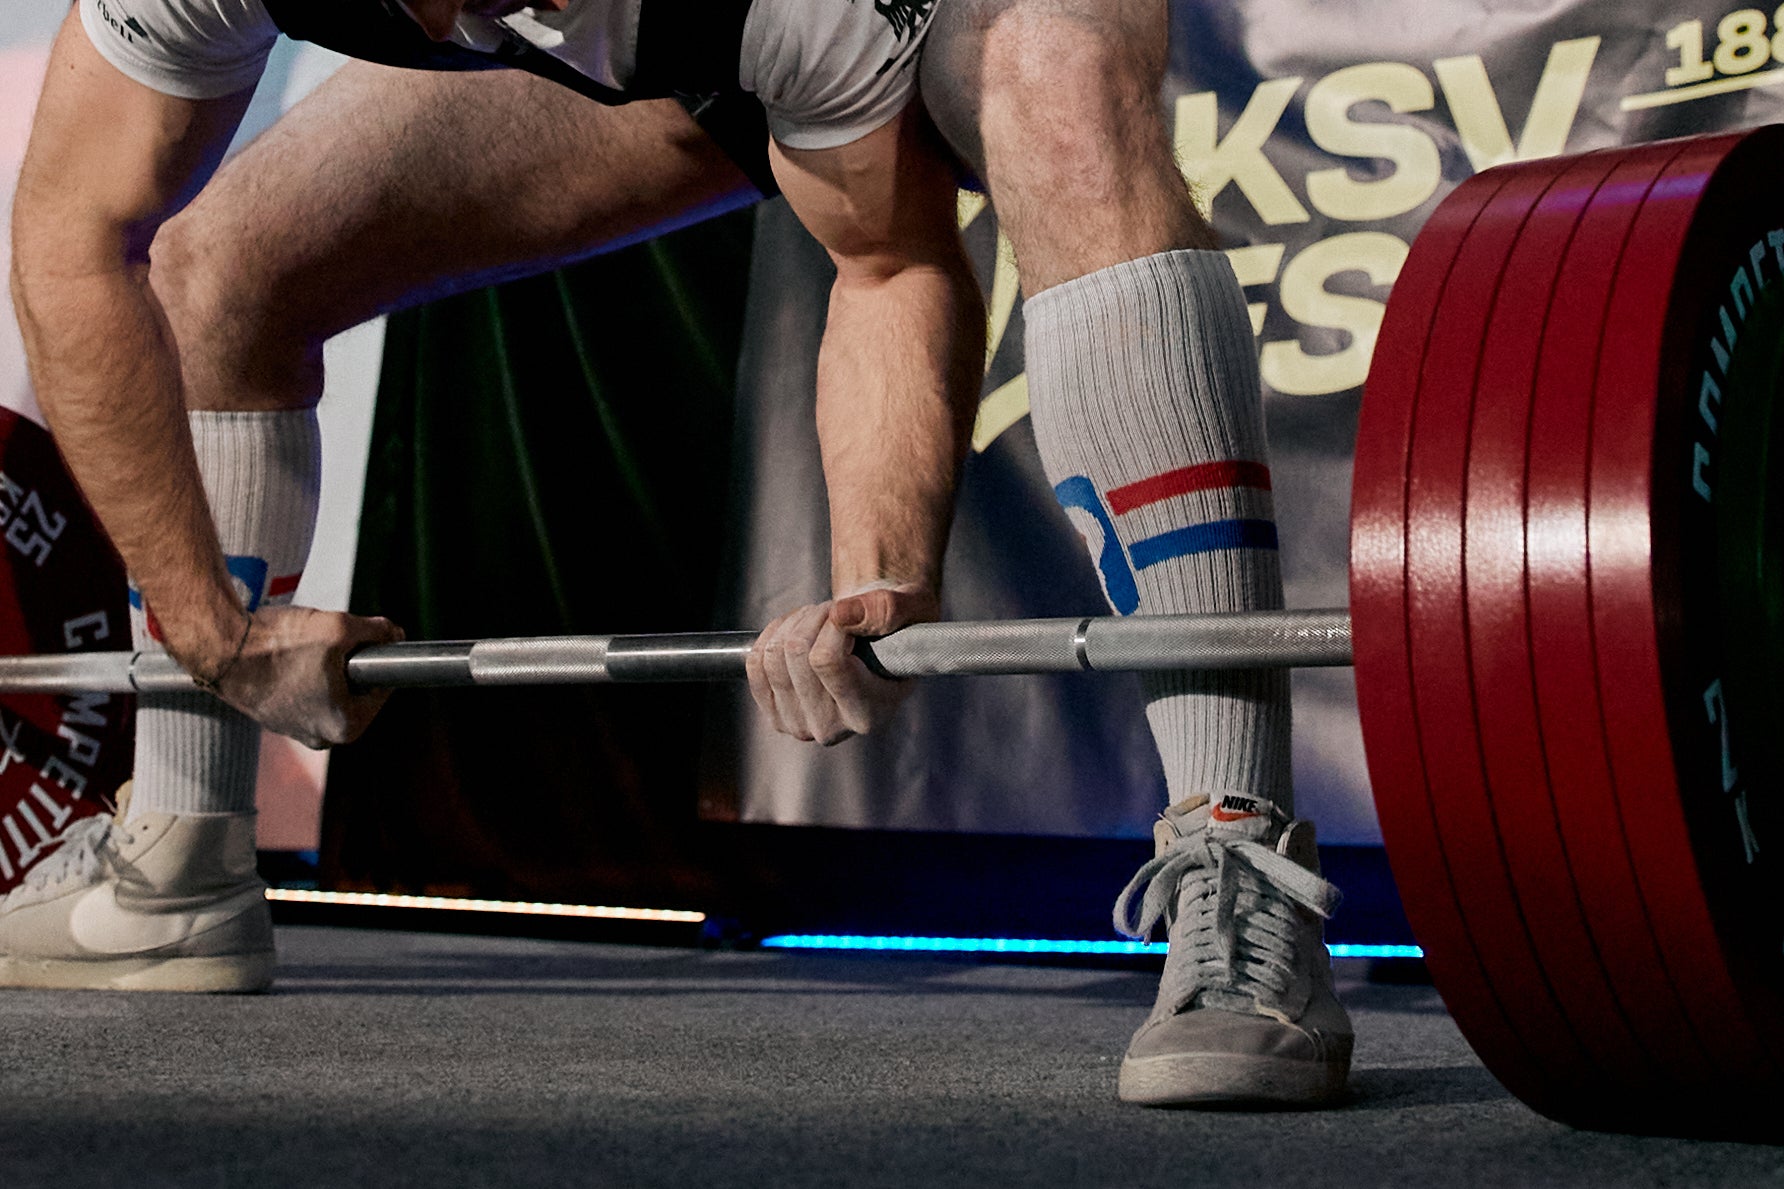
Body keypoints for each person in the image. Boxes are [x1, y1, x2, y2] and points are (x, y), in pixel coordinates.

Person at [3, 0, 1352, 1107]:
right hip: (709, 35)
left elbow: (886, 255)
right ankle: (180, 857)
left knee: (1054, 80)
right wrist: (213, 632)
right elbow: (72, 238)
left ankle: (1236, 854)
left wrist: (881, 578)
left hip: (850, 20)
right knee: (226, 262)